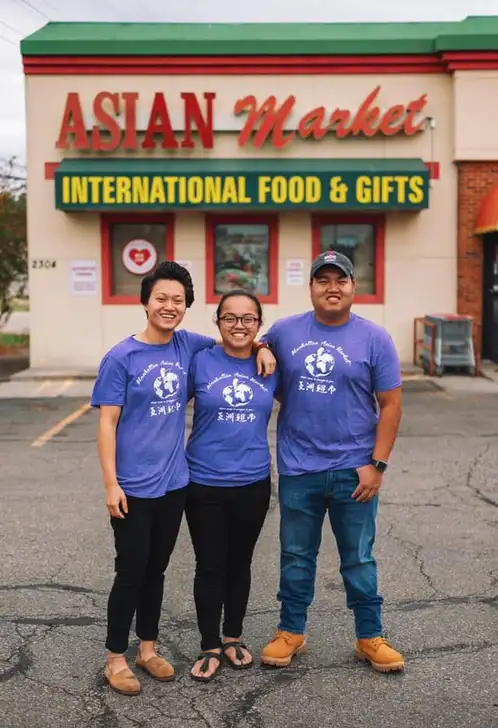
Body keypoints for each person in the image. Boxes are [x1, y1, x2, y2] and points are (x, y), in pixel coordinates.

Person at [91, 261, 275, 696]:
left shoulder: (186, 346)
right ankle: (115, 656)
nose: (169, 306)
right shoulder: (121, 357)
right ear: (145, 302)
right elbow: (106, 424)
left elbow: (235, 336)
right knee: (131, 570)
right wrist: (111, 483)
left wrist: (263, 344)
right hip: (133, 485)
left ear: (187, 307)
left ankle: (147, 649)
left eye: (177, 300)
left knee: (156, 570)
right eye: (161, 298)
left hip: (176, 483)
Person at [259, 250, 404, 673]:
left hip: (354, 471)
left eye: (340, 280)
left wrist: (377, 465)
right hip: (299, 468)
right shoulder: (285, 331)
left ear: (353, 287)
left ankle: (369, 636)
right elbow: (259, 347)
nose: (332, 287)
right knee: (296, 556)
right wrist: (261, 346)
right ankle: (291, 632)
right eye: (322, 280)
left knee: (359, 558)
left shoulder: (374, 338)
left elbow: (391, 405)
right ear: (311, 288)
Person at [185, 290, 279, 682]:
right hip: (203, 481)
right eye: (230, 318)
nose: (239, 325)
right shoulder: (200, 361)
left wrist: (265, 346)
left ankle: (233, 636)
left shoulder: (273, 366)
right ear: (217, 322)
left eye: (248, 319)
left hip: (253, 482)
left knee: (239, 563)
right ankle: (210, 643)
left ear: (259, 323)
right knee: (210, 565)